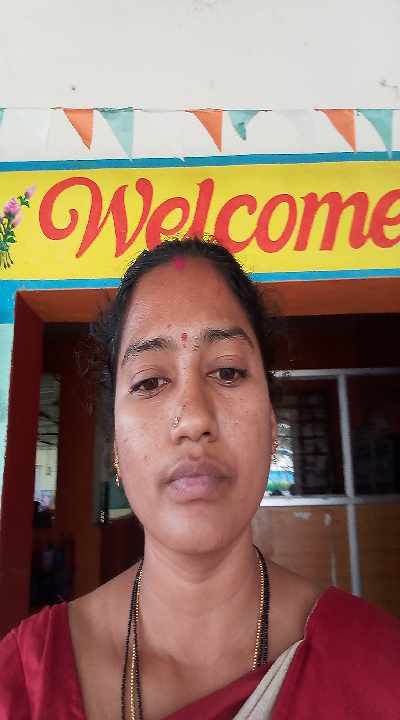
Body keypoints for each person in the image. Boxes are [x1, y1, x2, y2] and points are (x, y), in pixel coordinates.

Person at [1, 237, 399, 720]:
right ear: (116, 451)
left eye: (227, 372)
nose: (193, 418)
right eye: (150, 381)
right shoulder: (22, 684)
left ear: (272, 428)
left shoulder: (379, 670)